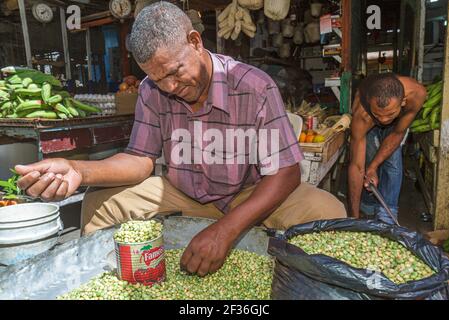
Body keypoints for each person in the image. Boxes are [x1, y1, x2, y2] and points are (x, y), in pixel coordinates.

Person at [15, 2, 346, 276]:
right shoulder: (150, 91)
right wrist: (79, 170)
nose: (169, 87)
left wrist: (226, 229)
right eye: (158, 79)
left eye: (174, 71)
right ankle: (113, 282)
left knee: (330, 211)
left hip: (248, 192)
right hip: (182, 191)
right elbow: (140, 159)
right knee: (98, 203)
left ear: (195, 42)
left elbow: (286, 172)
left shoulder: (254, 86)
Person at [348, 73, 427, 224]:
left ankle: (387, 216)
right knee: (367, 160)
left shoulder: (417, 94)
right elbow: (356, 166)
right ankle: (367, 207)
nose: (384, 120)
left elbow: (397, 133)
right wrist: (353, 219)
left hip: (396, 125)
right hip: (368, 120)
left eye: (389, 114)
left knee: (393, 163)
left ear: (403, 102)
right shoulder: (363, 114)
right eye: (379, 115)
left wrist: (374, 167)